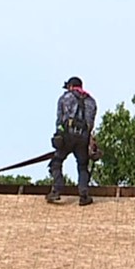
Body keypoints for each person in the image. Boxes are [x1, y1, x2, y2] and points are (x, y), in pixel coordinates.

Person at [46, 77, 98, 206]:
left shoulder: (65, 98)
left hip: (68, 136)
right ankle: (84, 195)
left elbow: (60, 119)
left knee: (56, 163)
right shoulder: (91, 101)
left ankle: (57, 190)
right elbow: (90, 123)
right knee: (82, 166)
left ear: (70, 86)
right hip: (83, 138)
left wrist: (58, 135)